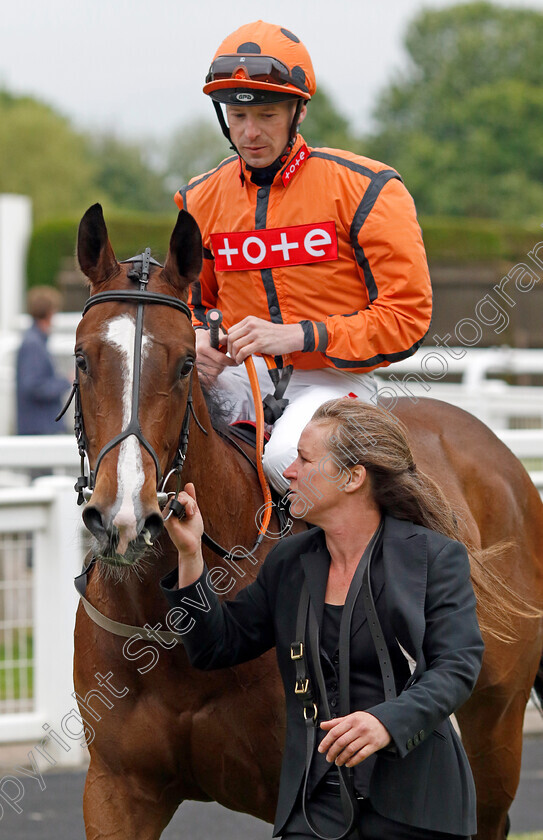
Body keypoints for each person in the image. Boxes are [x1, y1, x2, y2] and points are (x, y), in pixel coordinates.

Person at [160, 398, 484, 840]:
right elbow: (215, 645)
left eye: (304, 458)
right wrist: (190, 555)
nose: (288, 471)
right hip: (313, 811)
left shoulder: (435, 558)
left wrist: (387, 721)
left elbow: (456, 667)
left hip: (418, 810)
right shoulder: (288, 561)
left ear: (353, 478)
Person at [173, 20, 433, 494]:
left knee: (288, 459)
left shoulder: (366, 188)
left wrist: (295, 335)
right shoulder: (199, 200)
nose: (249, 133)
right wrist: (198, 339)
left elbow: (406, 317)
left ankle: (367, 566)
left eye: (268, 115)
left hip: (331, 383)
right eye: (237, 115)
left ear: (299, 111)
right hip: (236, 379)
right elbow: (193, 304)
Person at [16, 286, 71, 435]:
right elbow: (33, 386)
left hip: (38, 426)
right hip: (39, 428)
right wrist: (66, 381)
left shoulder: (34, 341)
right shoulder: (33, 344)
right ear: (49, 312)